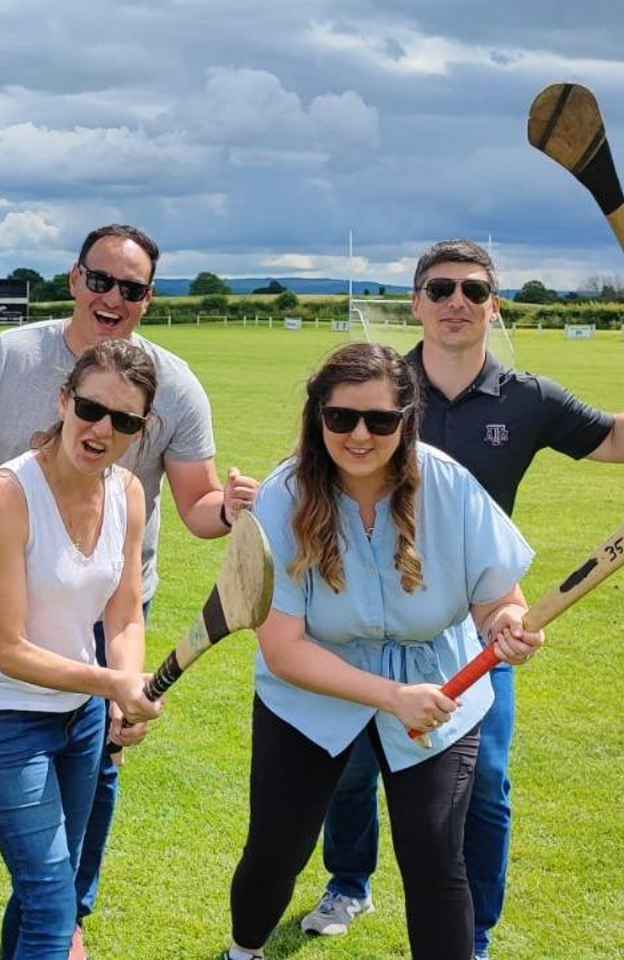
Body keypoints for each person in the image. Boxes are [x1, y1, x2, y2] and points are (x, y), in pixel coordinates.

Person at [0, 224, 257, 957]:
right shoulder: (13, 364)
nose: (113, 296)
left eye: (132, 288)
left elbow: (186, 520)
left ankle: (54, 915)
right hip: (12, 631)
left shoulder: (146, 445)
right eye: (102, 280)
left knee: (57, 862)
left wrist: (232, 511)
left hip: (97, 618)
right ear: (75, 278)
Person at [302, 241, 623, 959]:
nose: (457, 301)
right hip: (357, 619)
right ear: (414, 302)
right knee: (350, 766)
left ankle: (472, 936)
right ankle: (348, 883)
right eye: (439, 288)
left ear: (493, 305)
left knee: (486, 784)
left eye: (474, 291)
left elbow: (615, 441)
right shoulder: (381, 386)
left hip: (477, 624)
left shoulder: (529, 399)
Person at [223, 341, 544, 960]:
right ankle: (243, 951)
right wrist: (393, 697)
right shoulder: (282, 496)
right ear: (319, 418)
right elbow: (284, 651)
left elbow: (499, 600)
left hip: (439, 692)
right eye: (341, 417)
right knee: (278, 846)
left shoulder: (449, 484)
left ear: (407, 418)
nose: (360, 435)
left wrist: (508, 625)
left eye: (381, 420)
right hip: (310, 694)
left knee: (433, 855)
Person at [0, 339, 162, 959]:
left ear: (139, 430)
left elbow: (124, 610)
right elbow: (10, 649)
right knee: (51, 901)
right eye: (91, 409)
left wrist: (125, 689)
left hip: (81, 719)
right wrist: (112, 685)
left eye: (124, 421)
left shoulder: (127, 493)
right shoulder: (6, 496)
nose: (102, 429)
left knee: (47, 887)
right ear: (64, 400)